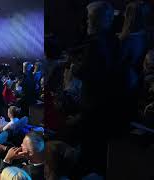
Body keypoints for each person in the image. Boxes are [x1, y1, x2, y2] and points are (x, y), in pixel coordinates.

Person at [75, 1, 125, 175]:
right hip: (107, 103)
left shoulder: (95, 43)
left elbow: (86, 71)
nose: (87, 22)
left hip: (92, 103)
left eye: (90, 18)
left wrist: (76, 67)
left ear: (96, 20)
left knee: (89, 148)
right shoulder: (115, 40)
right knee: (99, 149)